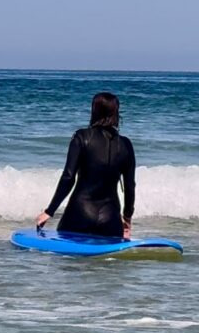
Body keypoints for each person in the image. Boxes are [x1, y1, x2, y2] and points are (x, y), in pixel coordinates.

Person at [36, 92, 136, 238]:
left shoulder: (81, 137)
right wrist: (127, 220)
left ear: (94, 111)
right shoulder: (126, 144)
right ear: (116, 112)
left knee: (68, 259)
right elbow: (130, 186)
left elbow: (68, 178)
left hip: (79, 215)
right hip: (110, 219)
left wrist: (49, 211)